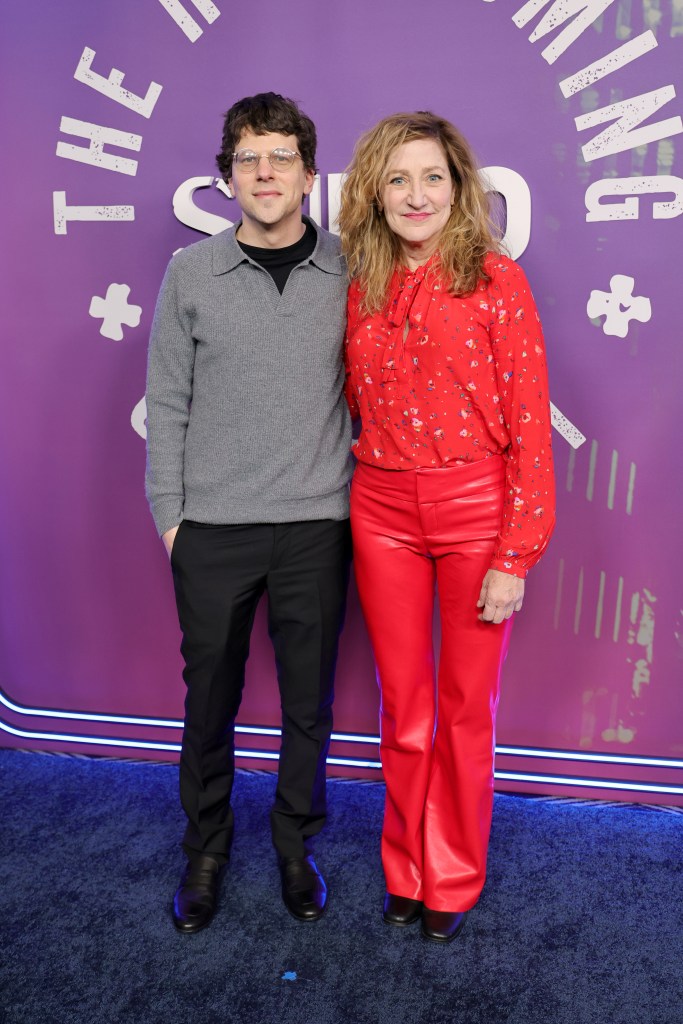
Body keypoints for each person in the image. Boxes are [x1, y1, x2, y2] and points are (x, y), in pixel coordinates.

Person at [338, 112, 555, 943]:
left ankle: (452, 879)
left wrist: (515, 553)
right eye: (397, 178)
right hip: (381, 509)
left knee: (465, 710)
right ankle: (405, 868)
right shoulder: (362, 282)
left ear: (459, 188)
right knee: (406, 710)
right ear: (374, 192)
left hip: (476, 512)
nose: (415, 194)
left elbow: (529, 429)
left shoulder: (497, 281)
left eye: (431, 177)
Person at [145, 92, 353, 933]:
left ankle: (294, 845)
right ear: (225, 175)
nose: (263, 173)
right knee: (209, 701)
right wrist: (172, 519)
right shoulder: (189, 274)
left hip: (317, 524)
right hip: (213, 528)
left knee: (307, 703)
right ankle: (205, 849)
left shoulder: (351, 268)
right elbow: (167, 403)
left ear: (309, 173)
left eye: (280, 157)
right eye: (246, 158)